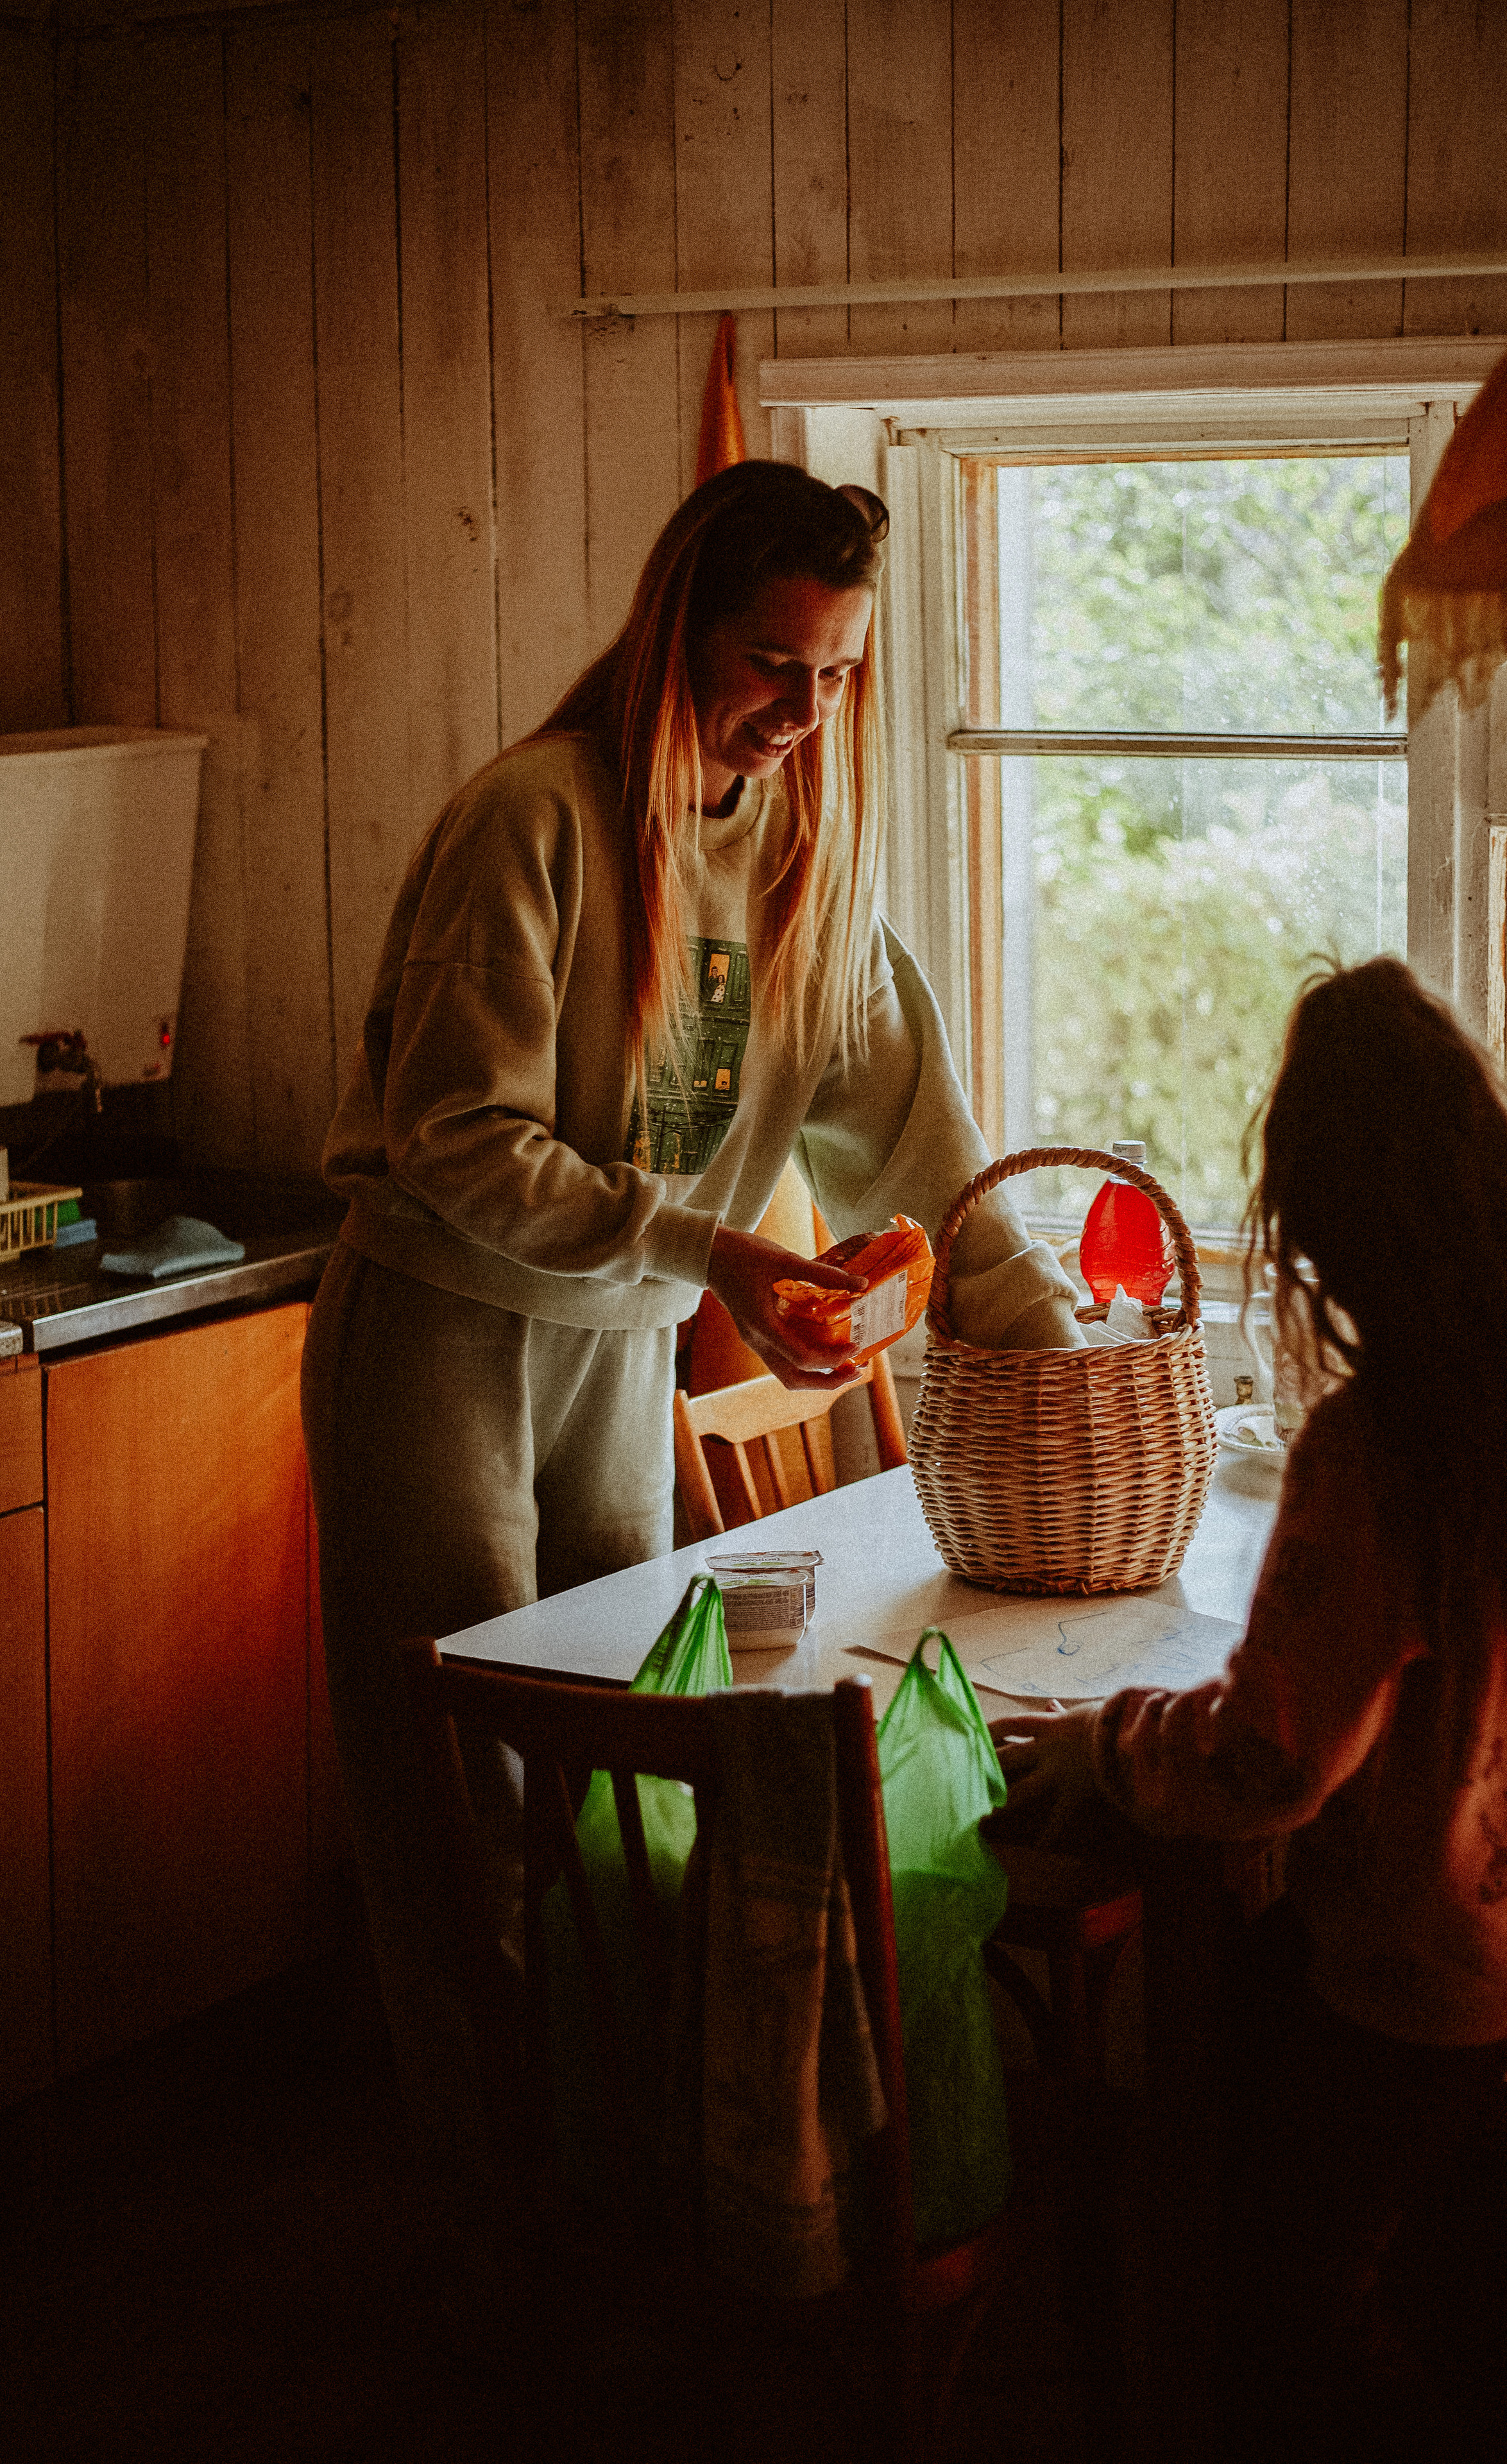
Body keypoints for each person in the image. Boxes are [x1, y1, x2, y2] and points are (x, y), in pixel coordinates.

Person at [301, 460, 1084, 2325]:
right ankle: (497, 2230)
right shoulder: (532, 823)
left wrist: (1064, 1352)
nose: (801, 713)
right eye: (767, 663)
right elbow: (457, 1139)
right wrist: (725, 1254)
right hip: (439, 1344)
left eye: (836, 676)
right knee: (468, 1812)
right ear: (674, 633)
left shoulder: (811, 864)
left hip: (617, 1351)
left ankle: (616, 2189)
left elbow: (928, 1158)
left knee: (623, 1788)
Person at [991, 956, 1507, 2458]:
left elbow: (1263, 1762)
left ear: (1333, 1231)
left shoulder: (1384, 1440)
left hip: (1439, 1970)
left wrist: (1089, 1745)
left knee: (1249, 2222)